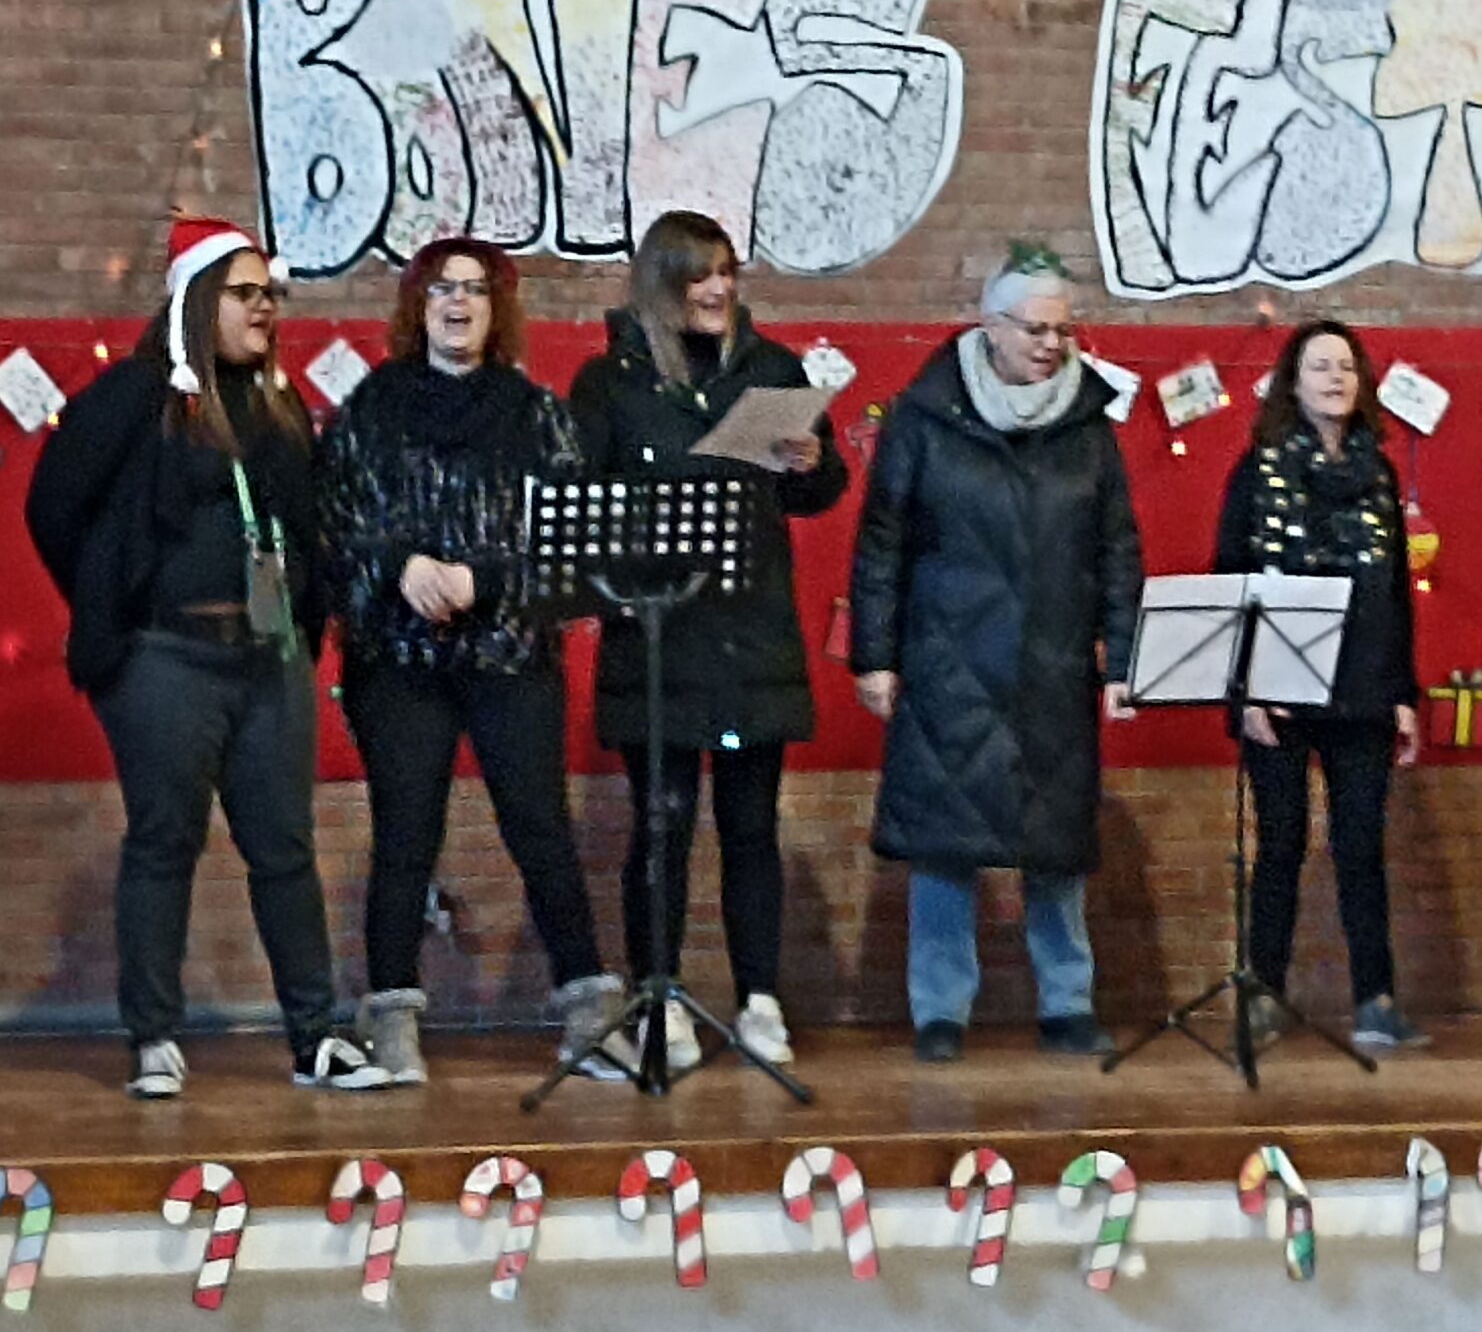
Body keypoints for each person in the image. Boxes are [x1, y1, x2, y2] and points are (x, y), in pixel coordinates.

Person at [23, 218, 388, 1099]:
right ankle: (154, 1036)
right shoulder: (135, 397)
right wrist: (110, 603)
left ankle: (316, 1038)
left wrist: (304, 625)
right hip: (165, 661)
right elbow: (53, 508)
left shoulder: (276, 407)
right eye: (244, 293)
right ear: (197, 301)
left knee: (284, 847)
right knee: (164, 841)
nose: (265, 309)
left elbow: (305, 529)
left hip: (268, 661)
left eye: (271, 294)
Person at [317, 237, 626, 1085]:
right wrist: (401, 567)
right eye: (441, 290)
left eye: (476, 290)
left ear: (498, 310)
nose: (458, 303)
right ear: (417, 307)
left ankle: (590, 1014)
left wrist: (478, 579)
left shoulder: (539, 415)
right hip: (398, 660)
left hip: (510, 655)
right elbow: (334, 529)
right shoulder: (369, 409)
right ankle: (391, 1018)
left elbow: (569, 546)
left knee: (541, 829)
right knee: (404, 834)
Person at [849, 243, 1143, 1063]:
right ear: (990, 324)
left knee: (1057, 843)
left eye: (1063, 330)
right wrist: (875, 654)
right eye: (1035, 329)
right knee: (944, 844)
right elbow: (882, 543)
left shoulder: (1089, 426)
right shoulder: (923, 416)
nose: (1051, 345)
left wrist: (1124, 660)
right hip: (946, 660)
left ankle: (1067, 1002)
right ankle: (940, 1010)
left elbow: (1119, 549)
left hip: (1054, 661)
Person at [568, 211, 847, 1072]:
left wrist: (813, 464)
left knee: (750, 826)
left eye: (726, 272)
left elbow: (817, 494)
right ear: (662, 286)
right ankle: (662, 998)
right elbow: (581, 501)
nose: (719, 289)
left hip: (749, 636)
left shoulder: (771, 370)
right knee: (663, 828)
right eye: (699, 276)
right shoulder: (611, 382)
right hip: (657, 641)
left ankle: (760, 999)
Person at [1214, 319, 1424, 1051]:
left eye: (1346, 367)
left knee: (1361, 848)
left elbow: (1395, 592)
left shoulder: (1380, 475)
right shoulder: (1259, 470)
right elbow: (1229, 579)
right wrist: (1245, 688)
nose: (1335, 378)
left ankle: (1376, 1001)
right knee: (1280, 844)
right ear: (1293, 384)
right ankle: (1264, 995)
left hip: (1363, 690)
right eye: (1320, 367)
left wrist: (1404, 693)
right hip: (1277, 689)